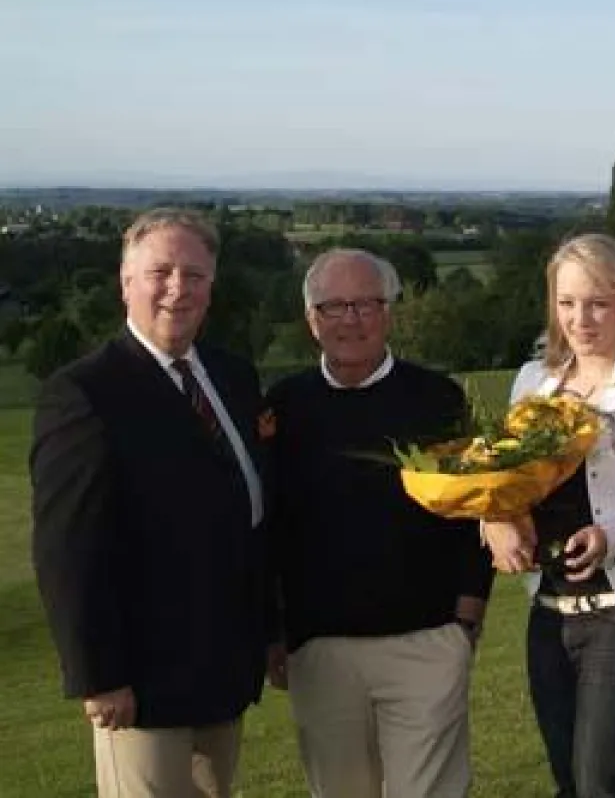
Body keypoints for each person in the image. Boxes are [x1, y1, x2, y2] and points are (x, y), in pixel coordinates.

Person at [29, 208, 270, 797]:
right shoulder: (85, 393)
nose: (177, 288)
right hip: (140, 684)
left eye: (194, 274)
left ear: (212, 285)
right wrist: (99, 676)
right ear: (125, 281)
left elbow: (250, 517)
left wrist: (269, 630)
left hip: (222, 669)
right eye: (160, 271)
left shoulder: (233, 377)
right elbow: (68, 548)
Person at [262, 247, 494, 798]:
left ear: (389, 311)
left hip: (427, 641)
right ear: (311, 318)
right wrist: (272, 629)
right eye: (333, 306)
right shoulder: (283, 406)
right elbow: (268, 523)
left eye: (365, 304)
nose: (350, 320)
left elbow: (477, 508)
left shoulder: (438, 398)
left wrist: (467, 614)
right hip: (319, 652)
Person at [481, 233, 615, 798]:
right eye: (568, 302)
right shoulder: (532, 383)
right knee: (569, 782)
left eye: (598, 302)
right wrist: (495, 522)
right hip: (549, 614)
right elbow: (505, 485)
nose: (582, 318)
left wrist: (612, 537)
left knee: (603, 781)